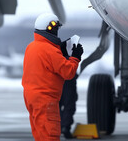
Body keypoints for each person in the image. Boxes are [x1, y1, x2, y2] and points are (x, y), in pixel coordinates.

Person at [22, 13, 83, 141]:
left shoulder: (31, 47)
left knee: (39, 134)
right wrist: (75, 57)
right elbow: (68, 72)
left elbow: (46, 63)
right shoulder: (50, 51)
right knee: (50, 135)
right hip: (46, 100)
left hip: (31, 98)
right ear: (51, 30)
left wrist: (60, 50)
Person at [59, 41, 78, 139]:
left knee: (56, 106)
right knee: (69, 106)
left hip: (58, 85)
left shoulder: (57, 58)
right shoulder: (71, 60)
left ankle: (57, 126)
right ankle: (65, 127)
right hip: (69, 85)